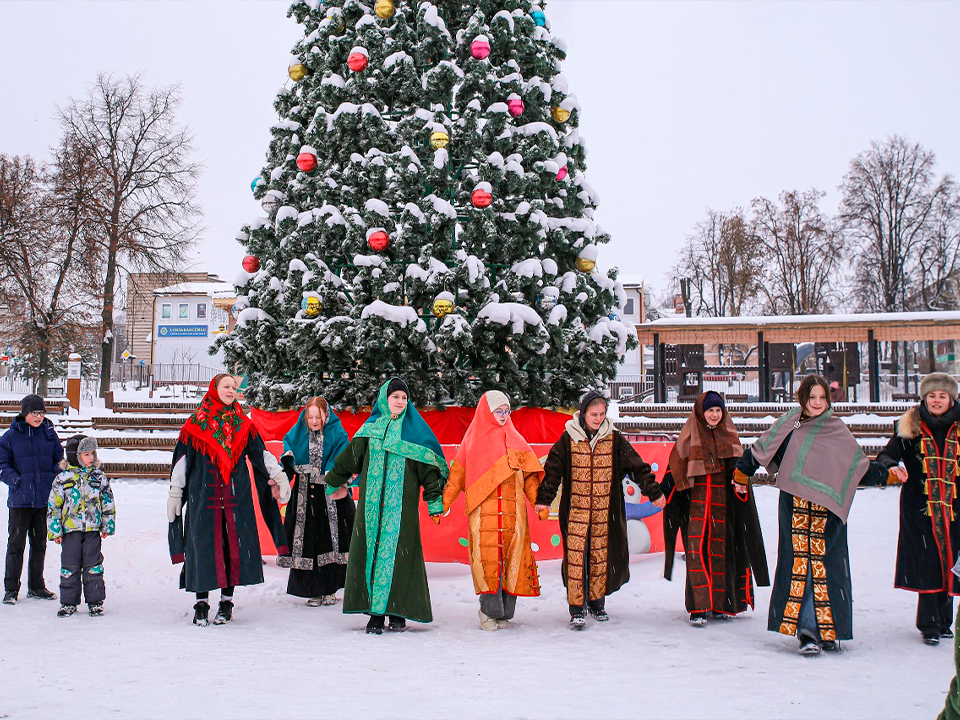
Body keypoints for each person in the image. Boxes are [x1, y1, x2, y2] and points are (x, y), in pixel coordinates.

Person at [735, 374, 895, 655]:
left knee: (827, 566)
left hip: (827, 511)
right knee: (801, 564)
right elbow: (762, 448)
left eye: (822, 398)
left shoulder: (836, 429)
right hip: (795, 506)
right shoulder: (791, 423)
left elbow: (858, 468)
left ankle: (828, 629)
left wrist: (887, 475)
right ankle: (808, 630)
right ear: (803, 399)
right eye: (812, 398)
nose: (818, 403)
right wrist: (741, 472)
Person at [323, 377, 447, 634]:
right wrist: (334, 482)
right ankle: (375, 614)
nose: (400, 401)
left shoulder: (415, 434)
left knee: (402, 558)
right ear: (384, 399)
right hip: (370, 511)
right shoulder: (370, 431)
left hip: (401, 511)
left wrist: (434, 501)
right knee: (371, 554)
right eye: (395, 397)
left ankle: (397, 611)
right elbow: (349, 460)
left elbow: (430, 472)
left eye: (404, 397)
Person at [535, 390, 666, 630]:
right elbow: (553, 470)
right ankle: (576, 609)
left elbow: (638, 468)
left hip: (605, 513)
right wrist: (544, 498)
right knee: (575, 559)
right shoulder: (568, 438)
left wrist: (654, 493)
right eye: (593, 414)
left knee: (599, 557)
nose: (598, 419)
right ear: (583, 413)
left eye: (602, 414)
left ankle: (597, 603)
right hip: (576, 512)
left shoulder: (614, 439)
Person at [167, 373, 291, 626]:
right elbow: (182, 462)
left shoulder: (243, 424)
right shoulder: (194, 424)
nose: (231, 391)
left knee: (232, 549)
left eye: (234, 387)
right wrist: (175, 492)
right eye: (226, 386)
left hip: (236, 499)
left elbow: (261, 454)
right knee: (202, 549)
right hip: (203, 498)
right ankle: (201, 604)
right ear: (215, 389)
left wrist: (278, 475)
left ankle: (226, 602)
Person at [660, 391, 768, 626]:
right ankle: (698, 607)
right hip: (696, 507)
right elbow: (674, 468)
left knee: (723, 554)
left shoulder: (729, 435)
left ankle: (721, 603)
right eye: (710, 410)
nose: (714, 415)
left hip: (723, 507)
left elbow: (740, 471)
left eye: (718, 410)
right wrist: (662, 492)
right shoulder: (689, 436)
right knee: (696, 553)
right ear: (701, 412)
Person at [442, 390, 545, 631]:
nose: (502, 415)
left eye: (506, 411)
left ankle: (505, 613)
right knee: (488, 561)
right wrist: (443, 503)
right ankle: (488, 612)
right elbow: (456, 477)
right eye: (497, 411)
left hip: (514, 517)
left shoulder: (517, 440)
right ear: (486, 411)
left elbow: (530, 478)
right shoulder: (472, 442)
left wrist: (538, 503)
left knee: (513, 563)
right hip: (484, 517)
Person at [877, 372, 960, 646]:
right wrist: (892, 466)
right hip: (920, 509)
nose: (937, 401)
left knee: (950, 561)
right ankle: (929, 624)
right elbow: (887, 453)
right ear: (925, 398)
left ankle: (944, 620)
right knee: (928, 563)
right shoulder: (910, 424)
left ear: (952, 399)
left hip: (954, 509)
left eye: (942, 396)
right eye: (932, 396)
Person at [277, 396, 353, 606]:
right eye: (310, 417)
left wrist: (334, 478)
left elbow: (344, 457)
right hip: (304, 494)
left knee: (331, 540)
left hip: (330, 494)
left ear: (325, 415)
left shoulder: (338, 433)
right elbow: (288, 452)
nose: (314, 421)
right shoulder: (297, 432)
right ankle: (312, 589)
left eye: (317, 417)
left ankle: (329, 589)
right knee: (307, 542)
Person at [1, 394, 63, 605]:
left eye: (41, 412)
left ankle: (36, 586)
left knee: (39, 544)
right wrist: (15, 481)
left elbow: (59, 459)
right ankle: (11, 589)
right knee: (16, 545)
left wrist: (52, 479)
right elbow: (2, 464)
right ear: (24, 413)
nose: (38, 416)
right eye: (34, 413)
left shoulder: (48, 433)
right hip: (20, 500)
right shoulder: (10, 436)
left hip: (42, 500)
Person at [47, 436, 115, 618]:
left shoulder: (98, 477)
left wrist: (107, 524)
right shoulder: (63, 479)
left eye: (92, 453)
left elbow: (107, 501)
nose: (91, 457)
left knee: (94, 565)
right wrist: (55, 530)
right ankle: (68, 602)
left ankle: (95, 601)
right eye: (86, 454)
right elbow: (54, 506)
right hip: (70, 531)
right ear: (75, 456)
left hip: (92, 529)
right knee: (69, 566)